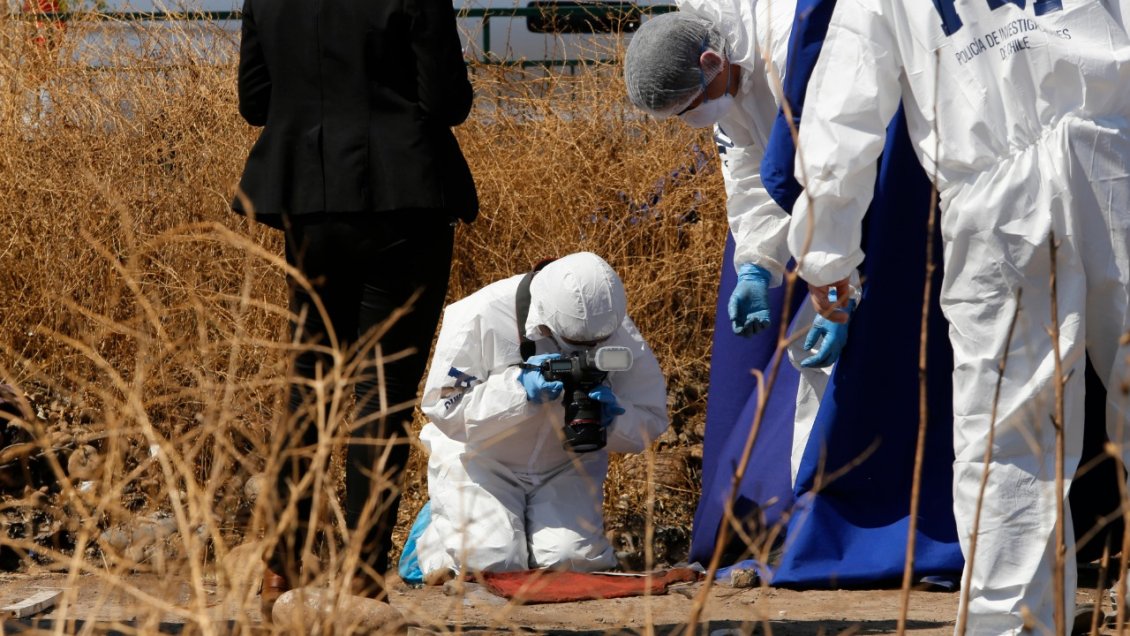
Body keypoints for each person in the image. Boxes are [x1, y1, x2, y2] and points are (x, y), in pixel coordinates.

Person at [785, 0, 1130, 631]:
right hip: (1115, 155)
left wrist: (826, 245)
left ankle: (1009, 623)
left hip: (996, 197)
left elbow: (845, 101)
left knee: (1007, 431)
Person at [231, 0, 478, 612]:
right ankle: (364, 578)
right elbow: (448, 101)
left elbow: (254, 101)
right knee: (381, 396)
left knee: (308, 386)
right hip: (402, 198)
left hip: (308, 203)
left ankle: (281, 568)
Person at [623, 1, 855, 490]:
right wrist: (755, 263)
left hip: (872, 191)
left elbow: (839, 179)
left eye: (689, 108)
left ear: (712, 62)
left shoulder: (793, 50)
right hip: (833, 204)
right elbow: (753, 173)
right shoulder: (723, 73)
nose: (693, 121)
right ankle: (816, 508)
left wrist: (838, 287)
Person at [411, 252, 668, 580]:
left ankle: (521, 537)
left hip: (564, 463)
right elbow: (443, 406)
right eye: (576, 344)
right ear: (543, 320)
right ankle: (435, 535)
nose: (585, 351)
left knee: (572, 564)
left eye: (596, 344)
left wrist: (614, 418)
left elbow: (651, 416)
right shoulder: (479, 314)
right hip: (482, 461)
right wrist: (517, 390)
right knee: (492, 564)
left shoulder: (612, 326)